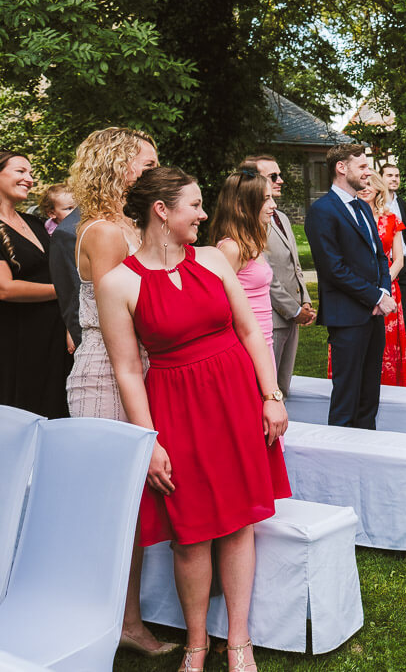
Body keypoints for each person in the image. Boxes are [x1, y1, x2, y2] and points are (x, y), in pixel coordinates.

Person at [97, 167, 291, 672]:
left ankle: (241, 642)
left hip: (234, 398)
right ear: (162, 211)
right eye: (195, 205)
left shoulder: (211, 259)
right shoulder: (118, 282)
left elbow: (250, 330)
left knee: (239, 522)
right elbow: (127, 370)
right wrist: (150, 442)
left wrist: (270, 395)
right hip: (176, 409)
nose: (204, 214)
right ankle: (198, 644)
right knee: (191, 531)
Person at [61, 128, 173, 658]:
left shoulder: (126, 223)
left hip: (136, 366)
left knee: (135, 505)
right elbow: (113, 319)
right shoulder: (104, 231)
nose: (153, 172)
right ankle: (116, 622)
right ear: (116, 166)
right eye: (145, 164)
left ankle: (128, 617)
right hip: (107, 374)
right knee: (115, 507)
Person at [304, 144, 395, 429]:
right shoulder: (322, 211)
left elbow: (379, 255)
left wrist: (384, 291)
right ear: (341, 168)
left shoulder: (362, 207)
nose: (369, 172)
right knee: (346, 397)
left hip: (373, 314)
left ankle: (367, 453)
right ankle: (339, 461)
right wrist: (376, 296)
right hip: (347, 316)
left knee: (370, 395)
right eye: (363, 167)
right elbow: (334, 269)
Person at [0, 150, 71, 418]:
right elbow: (3, 288)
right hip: (12, 343)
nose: (29, 179)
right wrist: (64, 293)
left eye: (31, 173)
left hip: (54, 342)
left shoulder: (35, 223)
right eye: (20, 171)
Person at [245, 154, 315, 396]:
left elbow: (294, 264)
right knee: (267, 389)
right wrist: (293, 311)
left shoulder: (281, 217)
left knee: (284, 386)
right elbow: (265, 274)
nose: (281, 180)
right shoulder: (250, 222)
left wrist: (304, 299)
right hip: (270, 319)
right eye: (273, 176)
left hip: (292, 315)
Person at [211, 170, 277, 356]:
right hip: (245, 348)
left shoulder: (251, 244)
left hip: (265, 342)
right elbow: (217, 305)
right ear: (241, 205)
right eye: (266, 199)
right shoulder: (231, 249)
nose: (273, 205)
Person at [364, 171, 406, 387]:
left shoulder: (392, 219)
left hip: (388, 287)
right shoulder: (351, 217)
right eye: (361, 185)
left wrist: (382, 286)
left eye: (369, 185)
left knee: (387, 342)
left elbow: (399, 260)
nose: (364, 188)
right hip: (360, 287)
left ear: (378, 189)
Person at [381, 162, 406, 332]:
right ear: (380, 178)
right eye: (389, 175)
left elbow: (405, 237)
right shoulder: (376, 205)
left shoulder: (400, 203)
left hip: (405, 264)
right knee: (390, 316)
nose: (394, 179)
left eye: (397, 176)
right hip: (387, 264)